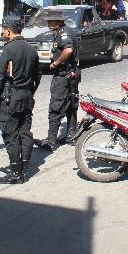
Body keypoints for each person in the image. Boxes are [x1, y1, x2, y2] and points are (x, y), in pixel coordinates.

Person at [0, 16, 41, 183]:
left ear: (9, 30)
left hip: (11, 98)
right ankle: (24, 167)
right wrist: (30, 91)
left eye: (3, 29)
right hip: (26, 96)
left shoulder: (7, 50)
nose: (2, 32)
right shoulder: (32, 49)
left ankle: (16, 173)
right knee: (24, 132)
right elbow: (38, 75)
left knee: (10, 134)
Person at [34, 11, 80, 151]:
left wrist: (55, 63)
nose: (48, 24)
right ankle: (71, 135)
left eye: (51, 21)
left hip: (64, 75)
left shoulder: (64, 33)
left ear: (58, 22)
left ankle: (50, 141)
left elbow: (68, 50)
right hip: (70, 74)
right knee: (71, 103)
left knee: (56, 105)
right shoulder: (62, 32)